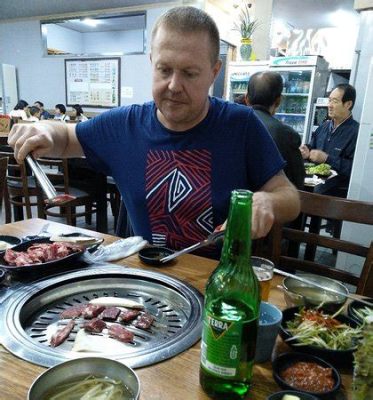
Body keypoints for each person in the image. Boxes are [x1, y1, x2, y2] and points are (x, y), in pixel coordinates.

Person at [8, 6, 300, 258]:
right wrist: (45, 129)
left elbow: (289, 197)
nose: (174, 85)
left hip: (218, 282)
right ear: (152, 63)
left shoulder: (241, 124)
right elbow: (68, 137)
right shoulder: (125, 125)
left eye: (189, 73)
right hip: (147, 276)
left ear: (214, 72)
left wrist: (268, 202)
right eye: (164, 70)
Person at [246, 71, 305, 189]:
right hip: (268, 203)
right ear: (278, 101)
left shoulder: (231, 124)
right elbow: (297, 182)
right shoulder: (285, 134)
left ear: (246, 99)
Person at [300, 83, 359, 197]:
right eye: (329, 100)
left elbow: (352, 169)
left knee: (317, 192)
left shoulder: (356, 132)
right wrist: (306, 150)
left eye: (335, 101)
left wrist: (327, 158)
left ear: (348, 104)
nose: (329, 105)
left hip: (336, 189)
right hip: (315, 180)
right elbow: (312, 146)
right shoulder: (324, 126)